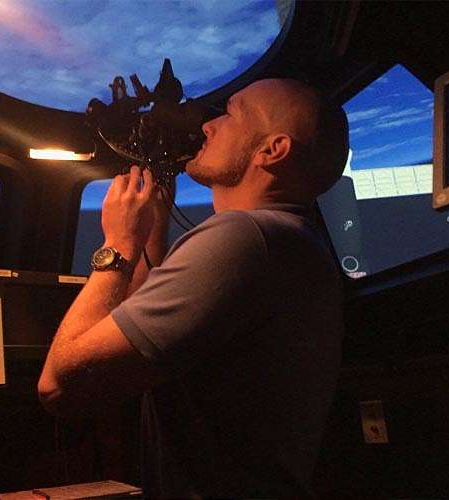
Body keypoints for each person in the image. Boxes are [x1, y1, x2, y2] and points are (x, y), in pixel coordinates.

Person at [38, 78, 349, 498]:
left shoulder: (244, 238)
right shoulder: (291, 241)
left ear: (272, 150)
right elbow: (137, 332)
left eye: (231, 114)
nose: (207, 126)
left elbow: (60, 385)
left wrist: (119, 243)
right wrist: (152, 228)